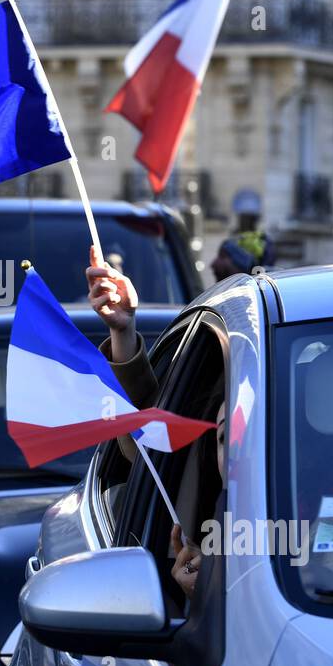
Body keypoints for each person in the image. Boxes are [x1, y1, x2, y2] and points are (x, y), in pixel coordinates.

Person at [85, 244, 223, 599]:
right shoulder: (196, 489)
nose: (240, 450)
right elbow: (147, 435)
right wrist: (201, 593)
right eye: (225, 437)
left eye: (256, 434)